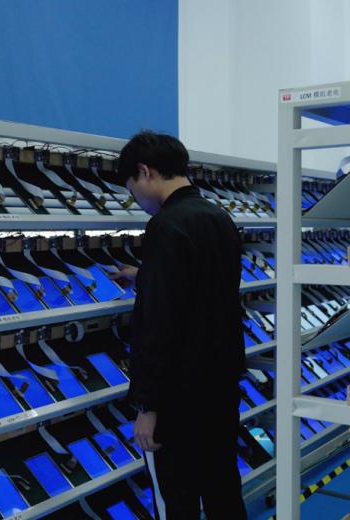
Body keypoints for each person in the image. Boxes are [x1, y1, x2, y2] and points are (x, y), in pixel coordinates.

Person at [109, 131, 248, 519]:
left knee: (176, 500)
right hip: (219, 386)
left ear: (144, 171)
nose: (136, 200)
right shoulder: (218, 218)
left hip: (177, 398)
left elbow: (158, 323)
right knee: (222, 489)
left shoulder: (166, 225)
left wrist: (148, 406)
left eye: (132, 189)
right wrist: (145, 274)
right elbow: (202, 289)